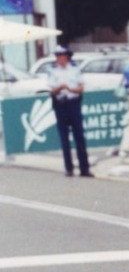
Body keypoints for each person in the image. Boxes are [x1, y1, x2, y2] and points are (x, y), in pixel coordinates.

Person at [46, 45, 93, 177]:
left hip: (73, 103)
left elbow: (81, 88)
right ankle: (69, 168)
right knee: (64, 137)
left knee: (79, 136)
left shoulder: (75, 70)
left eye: (61, 56)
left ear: (66, 56)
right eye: (57, 56)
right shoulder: (52, 71)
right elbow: (51, 90)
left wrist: (70, 89)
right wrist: (59, 88)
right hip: (61, 104)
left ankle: (84, 168)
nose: (59, 58)